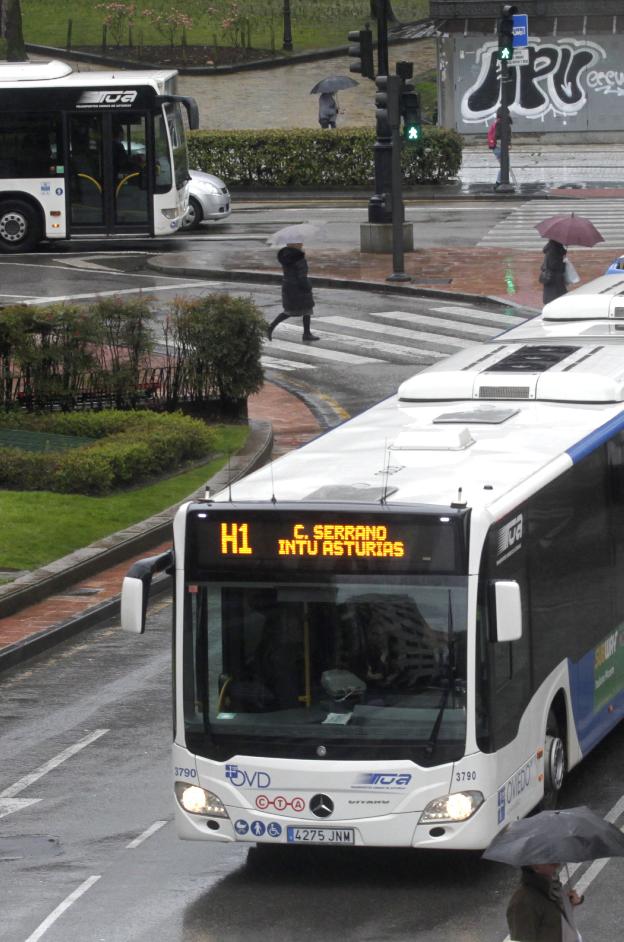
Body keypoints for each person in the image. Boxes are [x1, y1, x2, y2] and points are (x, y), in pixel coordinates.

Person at [506, 863, 584, 942]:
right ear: (536, 866)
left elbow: (552, 921)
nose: (557, 863)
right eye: (548, 859)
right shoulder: (522, 903)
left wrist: (569, 907)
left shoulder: (551, 884)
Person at [267, 241, 319, 343]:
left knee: (305, 310)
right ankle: (271, 327)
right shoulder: (299, 258)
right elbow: (302, 277)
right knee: (291, 311)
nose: (302, 244)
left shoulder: (286, 256)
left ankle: (307, 333)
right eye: (299, 243)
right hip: (298, 287)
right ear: (294, 245)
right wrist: (308, 286)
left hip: (288, 286)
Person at [540, 239, 567, 305]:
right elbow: (552, 265)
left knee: (553, 295)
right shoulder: (553, 249)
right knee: (555, 297)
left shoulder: (553, 247)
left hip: (553, 277)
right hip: (553, 278)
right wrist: (563, 264)